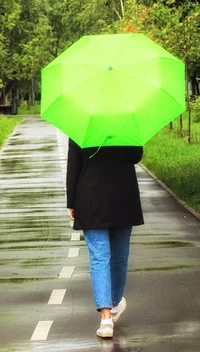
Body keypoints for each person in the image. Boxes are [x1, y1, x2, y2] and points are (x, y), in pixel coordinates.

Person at [66, 138, 144, 338]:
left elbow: (74, 164)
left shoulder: (81, 122)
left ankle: (106, 318)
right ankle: (114, 305)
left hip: (90, 197)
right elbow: (135, 157)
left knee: (100, 257)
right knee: (119, 257)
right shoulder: (126, 122)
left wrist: (71, 202)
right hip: (123, 197)